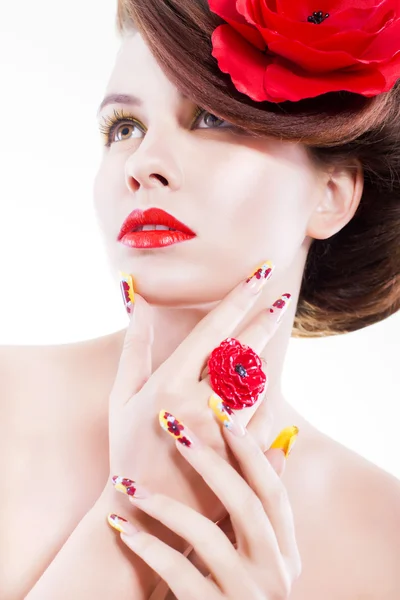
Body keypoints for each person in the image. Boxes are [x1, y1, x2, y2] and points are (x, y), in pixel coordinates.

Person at [2, 0, 400, 599]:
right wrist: (132, 522)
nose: (142, 165)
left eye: (212, 118)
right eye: (124, 128)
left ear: (332, 195)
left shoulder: (384, 543)